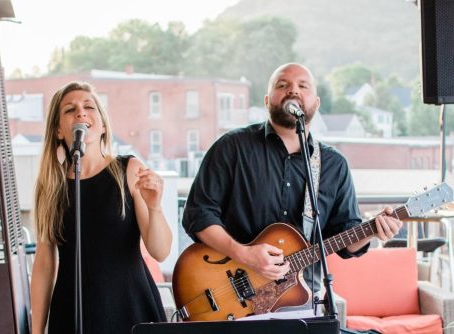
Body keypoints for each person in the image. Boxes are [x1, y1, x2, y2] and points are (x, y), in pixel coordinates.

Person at [182, 63, 403, 306]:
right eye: (282, 85)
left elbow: (344, 237)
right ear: (267, 100)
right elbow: (198, 214)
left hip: (302, 302)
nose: (293, 90)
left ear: (316, 104)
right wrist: (243, 254)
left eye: (303, 85)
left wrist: (373, 229)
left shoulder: (333, 165)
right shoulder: (232, 147)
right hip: (233, 303)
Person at [31, 81, 172, 333]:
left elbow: (160, 252)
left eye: (89, 106)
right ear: (59, 131)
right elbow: (44, 264)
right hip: (72, 311)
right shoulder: (51, 186)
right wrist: (36, 330)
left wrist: (155, 208)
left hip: (130, 306)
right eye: (69, 109)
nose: (81, 112)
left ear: (103, 125)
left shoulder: (128, 170)